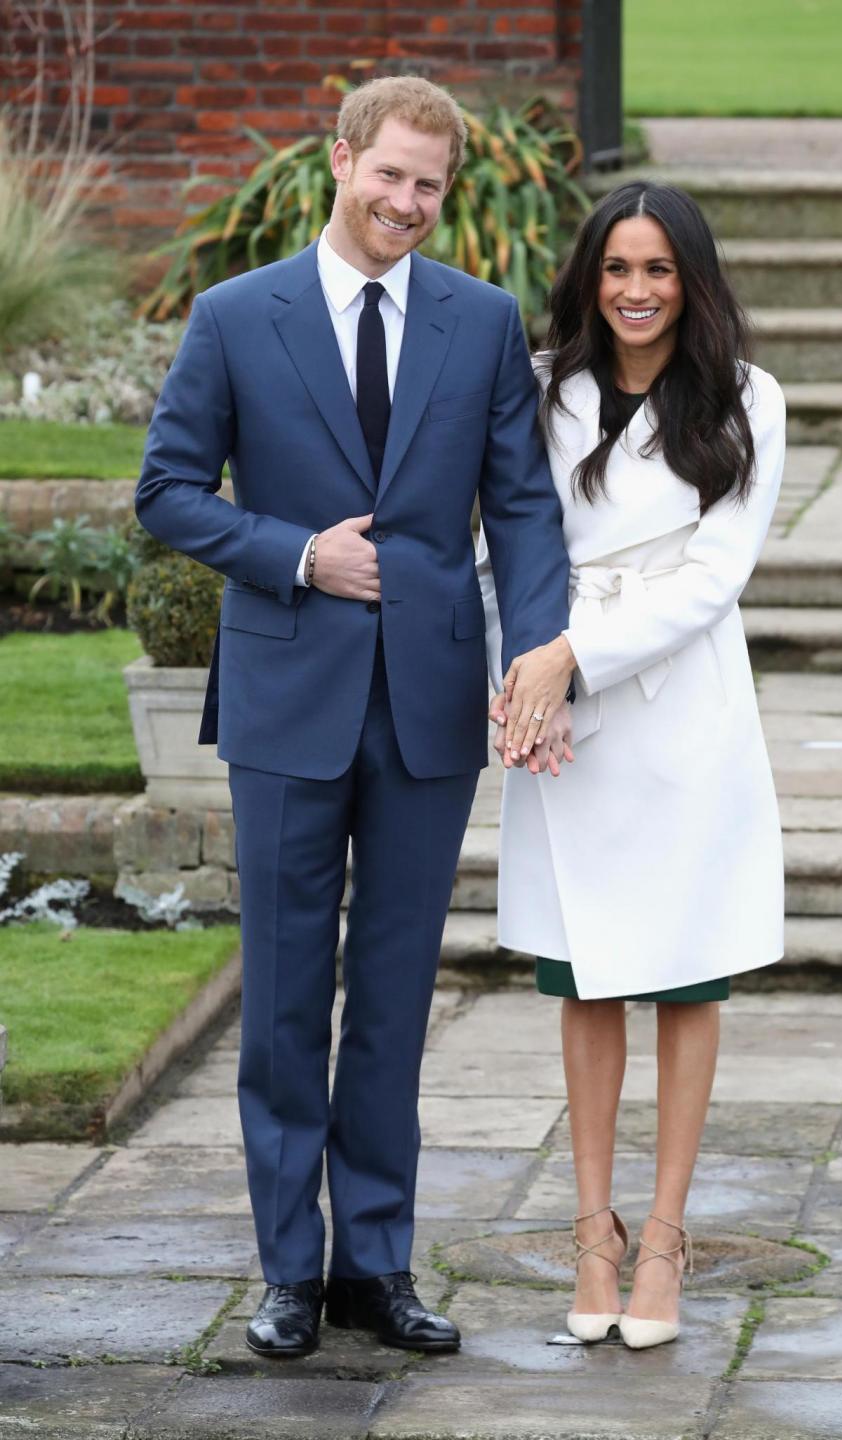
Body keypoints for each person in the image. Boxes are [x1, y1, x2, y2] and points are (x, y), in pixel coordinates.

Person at [136, 75, 572, 1359]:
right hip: (285, 696)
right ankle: (286, 1270)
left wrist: (540, 649)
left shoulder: (482, 322)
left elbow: (526, 507)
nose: (409, 204)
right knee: (280, 998)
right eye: (390, 176)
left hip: (431, 707)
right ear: (340, 161)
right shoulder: (235, 317)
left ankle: (375, 1266)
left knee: (390, 997)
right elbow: (167, 491)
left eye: (430, 186)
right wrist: (292, 553)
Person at [478, 180, 786, 1349]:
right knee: (587, 970)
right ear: (589, 277)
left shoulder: (751, 400)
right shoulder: (543, 388)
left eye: (659, 269)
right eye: (617, 268)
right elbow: (508, 537)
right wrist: (526, 679)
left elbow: (714, 579)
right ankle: (591, 1232)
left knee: (687, 968)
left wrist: (569, 657)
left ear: (692, 278)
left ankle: (664, 1239)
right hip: (562, 712)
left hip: (682, 709)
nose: (637, 290)